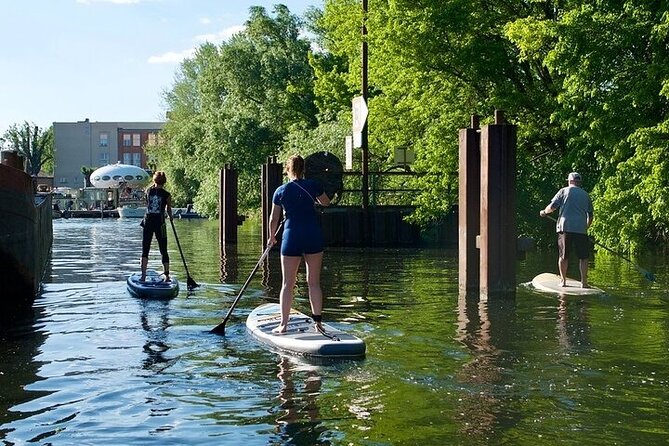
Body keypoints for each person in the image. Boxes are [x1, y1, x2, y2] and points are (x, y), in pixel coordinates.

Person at [268, 155, 331, 333]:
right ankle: (318, 323)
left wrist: (272, 237)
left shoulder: (280, 191)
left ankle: (283, 325)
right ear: (304, 170)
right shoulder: (314, 186)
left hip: (291, 236)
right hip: (312, 235)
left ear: (287, 170)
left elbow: (274, 218)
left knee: (287, 283)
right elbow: (326, 202)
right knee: (314, 282)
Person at [540, 172, 594, 288]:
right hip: (581, 230)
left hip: (565, 228)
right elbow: (590, 216)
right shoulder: (586, 195)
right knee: (584, 257)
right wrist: (585, 227)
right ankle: (584, 283)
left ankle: (563, 281)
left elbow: (552, 207)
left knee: (563, 256)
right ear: (579, 182)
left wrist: (544, 212)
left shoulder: (563, 191)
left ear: (569, 181)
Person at [140, 171, 173, 282]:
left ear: (154, 180)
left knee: (145, 249)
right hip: (160, 223)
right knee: (163, 249)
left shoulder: (148, 191)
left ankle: (143, 276)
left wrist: (154, 183)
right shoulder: (167, 195)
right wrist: (171, 217)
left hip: (148, 222)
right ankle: (167, 276)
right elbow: (168, 209)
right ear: (164, 182)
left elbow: (147, 202)